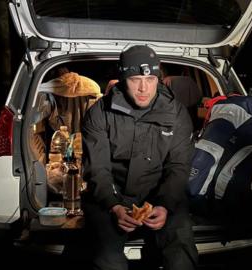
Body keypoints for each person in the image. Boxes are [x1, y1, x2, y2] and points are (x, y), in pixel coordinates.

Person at [81, 45, 198, 270]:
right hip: (112, 196)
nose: (144, 88)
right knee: (107, 258)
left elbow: (179, 167)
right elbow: (97, 169)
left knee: (181, 250)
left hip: (160, 194)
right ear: (123, 79)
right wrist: (113, 205)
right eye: (135, 79)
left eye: (151, 79)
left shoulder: (177, 114)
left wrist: (165, 204)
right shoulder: (99, 114)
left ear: (158, 79)